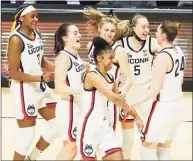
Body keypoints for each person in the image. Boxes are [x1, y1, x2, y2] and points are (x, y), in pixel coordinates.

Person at [76, 37, 144, 160]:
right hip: (89, 128)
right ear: (99, 58)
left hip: (106, 129)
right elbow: (113, 98)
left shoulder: (111, 76)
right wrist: (134, 115)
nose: (113, 61)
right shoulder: (92, 76)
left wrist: (135, 116)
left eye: (113, 58)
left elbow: (120, 100)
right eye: (110, 58)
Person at [7, 4, 59, 161]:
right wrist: (41, 78)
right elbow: (14, 73)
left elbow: (41, 61)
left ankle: (32, 158)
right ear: (21, 18)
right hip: (24, 89)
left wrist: (62, 70)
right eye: (32, 16)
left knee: (57, 126)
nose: (36, 19)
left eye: (37, 16)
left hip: (40, 86)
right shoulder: (16, 40)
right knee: (27, 136)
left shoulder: (37, 34)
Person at [130, 20, 185, 160]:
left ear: (163, 36)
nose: (155, 33)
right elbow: (181, 80)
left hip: (163, 106)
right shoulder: (179, 51)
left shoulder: (162, 56)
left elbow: (155, 90)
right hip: (178, 105)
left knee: (146, 147)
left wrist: (134, 102)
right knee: (164, 148)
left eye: (158, 31)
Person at [115, 14, 161, 160]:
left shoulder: (151, 43)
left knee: (150, 135)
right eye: (143, 26)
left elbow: (168, 51)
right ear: (133, 28)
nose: (147, 30)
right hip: (128, 93)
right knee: (128, 141)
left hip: (146, 94)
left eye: (148, 27)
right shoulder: (120, 44)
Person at [83, 7, 132, 132]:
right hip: (91, 96)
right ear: (99, 29)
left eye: (112, 31)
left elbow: (129, 79)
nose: (108, 33)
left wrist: (124, 90)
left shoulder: (119, 51)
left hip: (109, 98)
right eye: (106, 30)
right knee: (90, 134)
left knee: (108, 135)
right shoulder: (90, 46)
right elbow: (92, 68)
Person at [53, 23, 85, 160]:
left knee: (72, 148)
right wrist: (84, 92)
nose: (80, 35)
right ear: (65, 38)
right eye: (75, 33)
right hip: (68, 107)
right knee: (72, 148)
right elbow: (59, 87)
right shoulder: (63, 57)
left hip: (76, 106)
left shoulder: (76, 57)